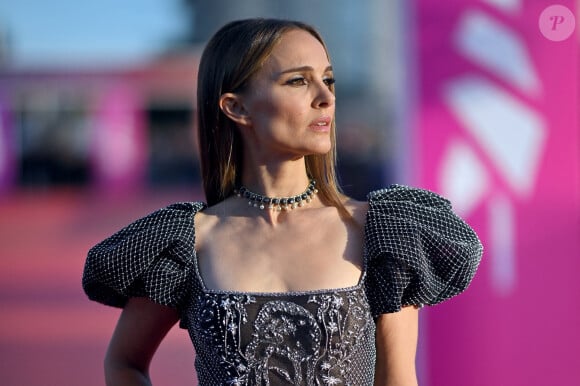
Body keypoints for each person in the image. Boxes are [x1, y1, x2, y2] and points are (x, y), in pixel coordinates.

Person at [82, 18, 483, 386]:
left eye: (328, 80)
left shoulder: (381, 233)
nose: (325, 97)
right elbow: (124, 363)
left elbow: (397, 381)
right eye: (297, 81)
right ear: (236, 107)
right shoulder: (188, 241)